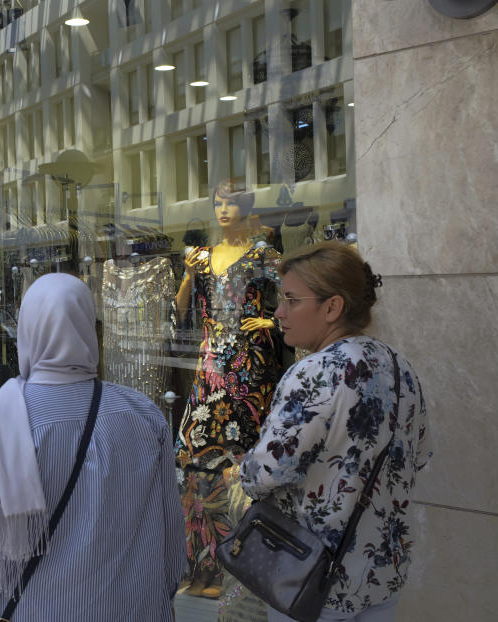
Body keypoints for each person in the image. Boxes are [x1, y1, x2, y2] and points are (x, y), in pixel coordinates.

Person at [0, 273, 185, 621]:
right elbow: (171, 542)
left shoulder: (0, 420)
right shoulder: (142, 414)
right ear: (89, 327)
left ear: (28, 330)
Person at [239, 242, 430, 622]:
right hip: (379, 575)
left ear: (332, 307)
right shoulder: (398, 367)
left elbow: (263, 474)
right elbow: (419, 455)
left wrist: (241, 470)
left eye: (292, 300)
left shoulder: (314, 373)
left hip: (308, 578)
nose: (278, 312)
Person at [174, 180, 284, 598]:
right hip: (209, 369)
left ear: (245, 208)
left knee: (244, 466)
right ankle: (202, 565)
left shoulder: (261, 254)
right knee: (194, 462)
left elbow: (301, 288)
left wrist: (273, 321)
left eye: (231, 204)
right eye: (218, 203)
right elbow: (181, 310)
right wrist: (186, 275)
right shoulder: (200, 258)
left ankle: (240, 570)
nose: (222, 210)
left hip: (249, 372)